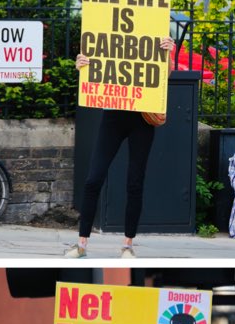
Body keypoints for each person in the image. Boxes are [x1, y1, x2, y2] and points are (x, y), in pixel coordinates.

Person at [64, 36, 175, 259]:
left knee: (135, 181)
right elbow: (96, 72)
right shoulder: (109, 30)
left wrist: (169, 54)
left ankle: (128, 245)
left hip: (142, 117)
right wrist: (83, 66)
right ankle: (81, 243)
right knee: (93, 179)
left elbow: (165, 75)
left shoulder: (154, 34)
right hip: (113, 114)